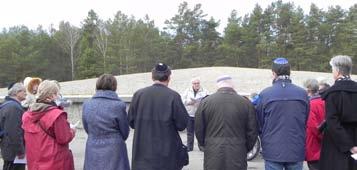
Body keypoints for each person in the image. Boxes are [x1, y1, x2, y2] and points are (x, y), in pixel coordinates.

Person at [128, 63, 189, 170]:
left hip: (142, 154)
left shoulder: (138, 95)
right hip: (166, 156)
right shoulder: (173, 96)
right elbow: (182, 124)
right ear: (169, 77)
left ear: (152, 76)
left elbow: (131, 122)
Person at [256, 57, 309, 170]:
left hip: (272, 149)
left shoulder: (265, 94)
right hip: (296, 148)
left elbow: (259, 123)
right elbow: (306, 121)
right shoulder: (302, 94)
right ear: (289, 72)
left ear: (273, 73)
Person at [195, 75, 258, 170]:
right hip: (237, 152)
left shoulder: (205, 102)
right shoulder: (245, 103)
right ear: (232, 85)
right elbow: (253, 131)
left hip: (213, 152)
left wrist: (206, 145)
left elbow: (199, 129)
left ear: (218, 86)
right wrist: (245, 148)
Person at [22, 80, 76, 170]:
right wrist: (72, 131)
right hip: (55, 162)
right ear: (52, 95)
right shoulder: (56, 115)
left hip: (35, 162)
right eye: (57, 93)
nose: (58, 96)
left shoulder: (27, 115)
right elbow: (64, 138)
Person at [82, 74, 130, 170]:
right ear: (114, 86)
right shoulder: (119, 105)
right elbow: (125, 131)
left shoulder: (87, 104)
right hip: (114, 148)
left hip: (93, 145)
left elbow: (87, 127)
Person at [319, 55, 357, 170]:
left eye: (332, 69)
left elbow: (332, 122)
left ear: (338, 71)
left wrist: (349, 146)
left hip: (336, 144)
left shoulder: (332, 93)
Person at [0, 83, 27, 170]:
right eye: (24, 91)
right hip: (13, 153)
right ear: (17, 92)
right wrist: (20, 151)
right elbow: (14, 132)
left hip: (8, 149)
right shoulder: (14, 107)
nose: (26, 93)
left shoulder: (7, 104)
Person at [181, 77, 208, 151]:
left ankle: (201, 146)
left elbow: (208, 101)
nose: (196, 84)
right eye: (195, 83)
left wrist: (200, 103)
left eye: (198, 83)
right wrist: (189, 102)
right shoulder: (187, 91)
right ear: (192, 84)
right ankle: (189, 147)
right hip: (189, 114)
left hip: (199, 115)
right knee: (190, 132)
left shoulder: (204, 91)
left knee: (200, 132)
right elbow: (182, 101)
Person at [303, 79, 325, 170]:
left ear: (308, 90)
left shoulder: (310, 104)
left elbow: (313, 127)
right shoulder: (324, 101)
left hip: (313, 146)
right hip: (325, 146)